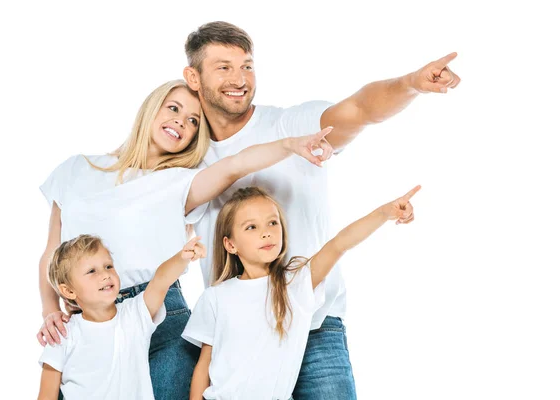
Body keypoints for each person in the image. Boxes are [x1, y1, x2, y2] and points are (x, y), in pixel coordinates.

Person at [183, 21, 460, 399]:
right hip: (238, 337)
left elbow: (361, 108)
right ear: (193, 77)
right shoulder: (185, 159)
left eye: (247, 65)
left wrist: (411, 83)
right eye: (223, 67)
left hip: (314, 328)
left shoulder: (289, 125)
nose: (239, 78)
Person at [36, 79, 333, 399]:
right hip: (91, 321)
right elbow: (52, 251)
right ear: (151, 109)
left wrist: (289, 145)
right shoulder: (74, 169)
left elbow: (235, 166)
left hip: (162, 314)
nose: (181, 121)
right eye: (174, 108)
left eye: (193, 121)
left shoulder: (182, 182)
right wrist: (49, 309)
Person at [182, 185, 420, 400]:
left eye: (272, 223)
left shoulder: (295, 285)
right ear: (230, 244)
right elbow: (205, 363)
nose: (266, 232)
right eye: (251, 227)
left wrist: (384, 213)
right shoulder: (216, 297)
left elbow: (339, 244)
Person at [37, 234, 207, 400]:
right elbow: (46, 395)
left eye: (108, 266)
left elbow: (161, 280)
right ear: (68, 291)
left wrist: (182, 257)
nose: (105, 274)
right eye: (91, 271)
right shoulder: (62, 334)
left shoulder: (135, 315)